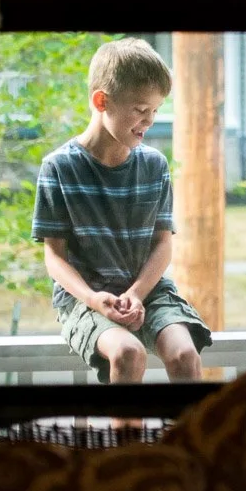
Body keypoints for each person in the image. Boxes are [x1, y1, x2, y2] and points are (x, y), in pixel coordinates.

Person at [32, 38, 213, 384]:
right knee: (129, 354)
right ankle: (124, 440)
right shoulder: (58, 168)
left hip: (147, 291)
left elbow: (163, 244)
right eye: (140, 109)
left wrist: (136, 294)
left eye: (156, 111)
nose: (149, 121)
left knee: (184, 355)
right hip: (84, 298)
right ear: (102, 101)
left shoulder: (154, 165)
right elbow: (55, 258)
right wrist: (95, 299)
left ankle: (187, 440)